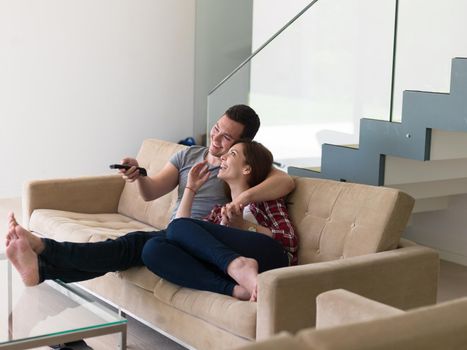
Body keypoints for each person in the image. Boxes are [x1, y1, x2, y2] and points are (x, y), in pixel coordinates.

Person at [5, 105, 295, 288]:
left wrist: (241, 202)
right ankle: (42, 266)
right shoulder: (191, 158)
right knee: (141, 249)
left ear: (243, 146)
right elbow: (152, 190)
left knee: (134, 245)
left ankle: (45, 254)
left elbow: (285, 182)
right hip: (182, 234)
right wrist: (139, 176)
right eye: (216, 129)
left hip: (201, 236)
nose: (216, 139)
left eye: (227, 140)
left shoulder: (245, 169)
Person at [142, 140, 298, 301]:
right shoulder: (219, 211)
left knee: (173, 229)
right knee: (152, 249)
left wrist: (244, 225)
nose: (223, 157)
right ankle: (235, 290)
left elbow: (290, 240)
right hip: (231, 272)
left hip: (271, 258)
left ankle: (239, 266)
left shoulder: (265, 200)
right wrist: (191, 188)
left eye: (232, 153)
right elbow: (178, 233)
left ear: (247, 168)